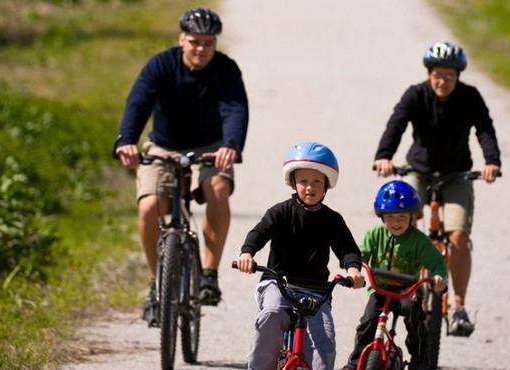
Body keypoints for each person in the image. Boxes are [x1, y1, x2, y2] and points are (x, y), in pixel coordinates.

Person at [113, 7, 249, 321]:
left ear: (215, 43)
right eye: (194, 41)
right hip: (164, 146)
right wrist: (126, 140)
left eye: (208, 42)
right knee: (149, 207)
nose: (201, 48)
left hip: (213, 147)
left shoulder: (226, 70)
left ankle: (209, 276)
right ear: (181, 39)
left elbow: (235, 109)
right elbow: (138, 102)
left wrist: (231, 145)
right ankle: (156, 283)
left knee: (217, 188)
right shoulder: (161, 65)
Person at [372, 41, 501, 337]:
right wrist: (384, 156)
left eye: (449, 76)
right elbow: (396, 123)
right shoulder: (415, 94)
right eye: (437, 75)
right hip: (419, 170)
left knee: (457, 236)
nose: (443, 81)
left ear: (458, 76)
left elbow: (485, 129)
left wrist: (491, 161)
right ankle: (403, 289)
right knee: (403, 224)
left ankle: (458, 306)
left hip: (457, 175)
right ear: (429, 74)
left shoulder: (470, 97)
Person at [235, 141, 366, 370]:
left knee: (323, 338)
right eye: (303, 181)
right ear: (293, 183)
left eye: (317, 181)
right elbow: (259, 233)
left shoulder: (332, 220)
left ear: (327, 185)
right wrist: (247, 253)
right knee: (272, 314)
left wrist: (353, 270)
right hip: (279, 283)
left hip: (316, 290)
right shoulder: (280, 212)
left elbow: (347, 249)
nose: (309, 187)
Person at [340, 180, 447, 370]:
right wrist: (355, 268)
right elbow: (360, 254)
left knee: (415, 316)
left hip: (408, 290)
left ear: (412, 216)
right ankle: (355, 361)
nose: (396, 222)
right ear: (382, 217)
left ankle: (419, 358)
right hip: (380, 288)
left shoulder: (419, 241)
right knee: (368, 320)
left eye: (402, 217)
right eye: (390, 217)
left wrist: (438, 276)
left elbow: (437, 262)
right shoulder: (375, 234)